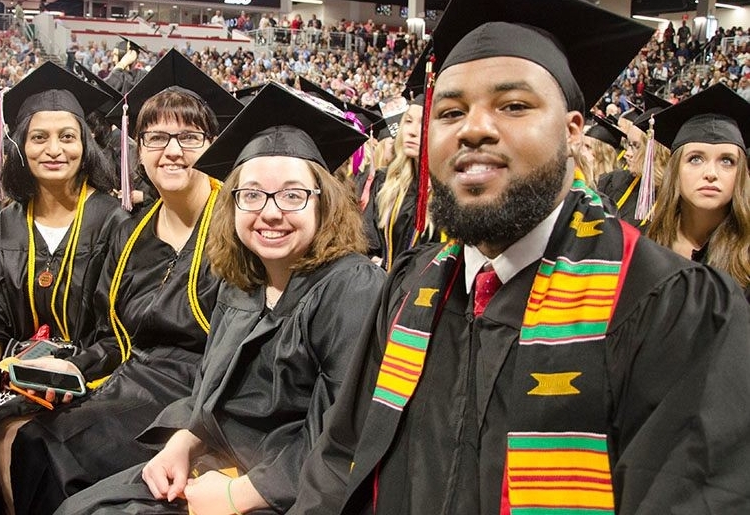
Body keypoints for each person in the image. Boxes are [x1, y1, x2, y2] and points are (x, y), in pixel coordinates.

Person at [289, 0, 750, 513]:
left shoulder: (671, 309)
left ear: (573, 131)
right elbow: (338, 461)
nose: (473, 129)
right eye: (450, 112)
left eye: (513, 106)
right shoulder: (408, 287)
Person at [55, 82, 385, 515]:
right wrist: (184, 440)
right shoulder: (243, 277)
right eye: (251, 195)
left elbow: (342, 436)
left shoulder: (352, 288)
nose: (270, 211)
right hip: (219, 462)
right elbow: (210, 388)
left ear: (325, 203)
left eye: (292, 194)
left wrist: (237, 495)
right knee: (78, 508)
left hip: (287, 491)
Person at [0, 52, 243, 515]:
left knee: (49, 449)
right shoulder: (132, 233)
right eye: (157, 138)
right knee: (20, 428)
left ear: (213, 145)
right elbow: (114, 334)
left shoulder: (236, 228)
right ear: (140, 149)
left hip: (196, 399)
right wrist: (77, 367)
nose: (173, 150)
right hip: (129, 380)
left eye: (189, 137)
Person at [0, 61, 129, 514]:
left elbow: (117, 331)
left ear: (86, 145)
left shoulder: (113, 223)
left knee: (21, 441)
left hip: (84, 378)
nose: (54, 149)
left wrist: (66, 370)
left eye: (67, 136)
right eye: (39, 137)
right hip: (7, 369)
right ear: (20, 147)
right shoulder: (7, 224)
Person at [646, 83, 750, 296]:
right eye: (695, 159)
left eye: (727, 161)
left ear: (740, 174)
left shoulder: (746, 259)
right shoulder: (644, 246)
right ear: (675, 171)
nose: (711, 173)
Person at [369, 96, 441, 270]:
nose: (412, 131)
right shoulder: (386, 182)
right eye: (408, 121)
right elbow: (367, 243)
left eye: (423, 123)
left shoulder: (452, 193)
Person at [598, 92, 671, 227]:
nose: (627, 154)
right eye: (628, 145)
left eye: (636, 146)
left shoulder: (676, 202)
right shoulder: (613, 182)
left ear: (656, 152)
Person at [578, 114, 625, 188]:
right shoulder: (579, 177)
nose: (581, 151)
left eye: (588, 147)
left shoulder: (613, 185)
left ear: (603, 153)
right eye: (582, 145)